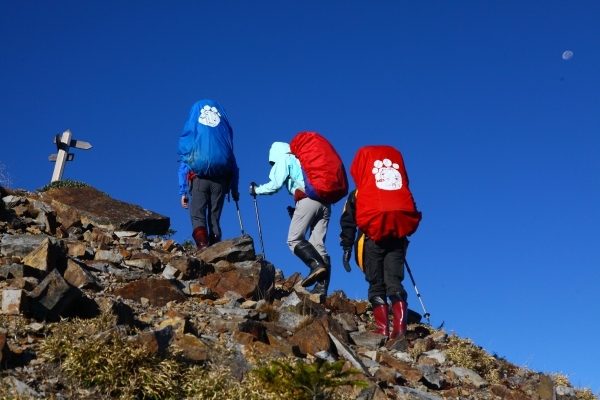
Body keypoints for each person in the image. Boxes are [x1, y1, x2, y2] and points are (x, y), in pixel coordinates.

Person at [340, 146, 421, 339]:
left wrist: (346, 248)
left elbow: (348, 221)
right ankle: (400, 329)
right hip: (396, 238)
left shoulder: (359, 194)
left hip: (371, 239)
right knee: (394, 281)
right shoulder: (397, 191)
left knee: (376, 283)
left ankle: (383, 329)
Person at [249, 142, 330, 295]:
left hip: (307, 199)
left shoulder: (285, 159)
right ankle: (321, 289)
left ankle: (316, 265)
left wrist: (256, 190)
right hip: (325, 202)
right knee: (317, 245)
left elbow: (275, 185)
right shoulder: (302, 159)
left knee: (294, 239)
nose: (273, 164)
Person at [177, 100, 240, 250]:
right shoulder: (221, 139)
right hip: (221, 181)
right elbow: (234, 166)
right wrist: (234, 189)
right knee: (214, 217)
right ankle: (216, 247)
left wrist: (183, 191)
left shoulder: (196, 138)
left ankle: (203, 246)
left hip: (199, 178)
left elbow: (185, 163)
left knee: (197, 213)